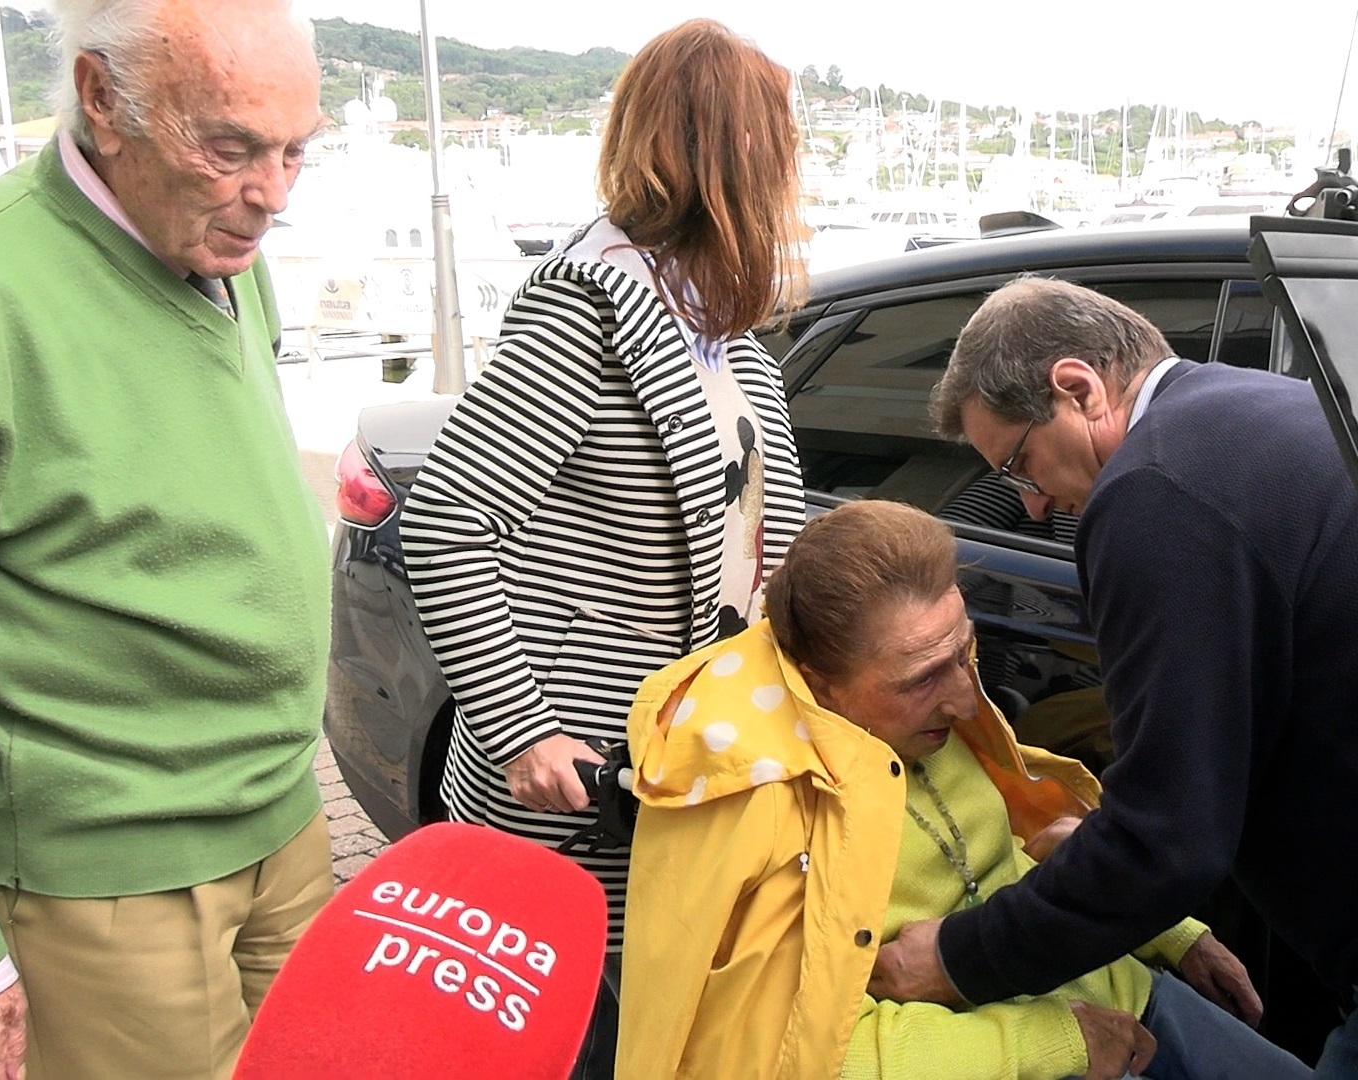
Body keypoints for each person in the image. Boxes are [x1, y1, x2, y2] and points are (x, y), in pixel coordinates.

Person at [0, 2, 333, 1077]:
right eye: (231, 147)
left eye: (296, 151)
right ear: (103, 99)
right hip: (104, 883)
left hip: (282, 823)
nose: (271, 197)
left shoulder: (223, 243)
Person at [616, 500, 1310, 1079]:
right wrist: (1054, 1042)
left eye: (963, 652)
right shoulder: (759, 803)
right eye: (921, 679)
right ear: (817, 681)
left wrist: (1171, 932)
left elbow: (1019, 844)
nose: (960, 698)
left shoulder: (929, 714)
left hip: (1116, 989)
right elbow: (808, 1054)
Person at [867, 274, 1358, 1076]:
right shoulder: (1260, 406)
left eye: (1020, 465)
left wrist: (959, 959)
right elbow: (1223, 747)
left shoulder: (1153, 494)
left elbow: (1167, 840)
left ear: (1078, 388)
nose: (1030, 507)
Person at [399, 18, 808, 958]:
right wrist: (522, 732)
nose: (789, 173)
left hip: (687, 768)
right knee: (573, 1025)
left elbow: (750, 532)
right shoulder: (583, 308)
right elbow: (450, 521)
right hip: (585, 783)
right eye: (777, 143)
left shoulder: (717, 324)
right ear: (728, 153)